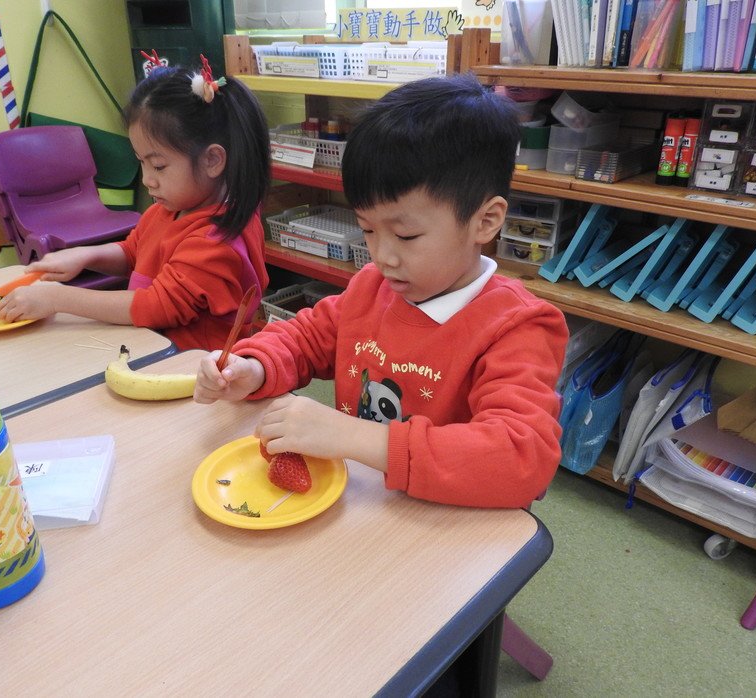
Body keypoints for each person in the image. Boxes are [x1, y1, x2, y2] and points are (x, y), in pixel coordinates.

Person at [195, 74, 568, 508]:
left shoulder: (519, 327)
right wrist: (253, 367)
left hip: (451, 524)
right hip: (370, 508)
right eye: (368, 230)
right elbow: (307, 338)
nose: (382, 256)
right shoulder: (372, 288)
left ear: (485, 222)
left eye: (406, 236)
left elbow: (520, 458)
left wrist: (352, 435)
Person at [0, 55, 271, 351]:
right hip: (151, 347)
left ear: (212, 160)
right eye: (142, 162)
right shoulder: (167, 211)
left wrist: (57, 298)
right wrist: (84, 256)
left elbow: (156, 306)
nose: (147, 180)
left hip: (191, 367)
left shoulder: (216, 242)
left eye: (159, 166)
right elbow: (133, 252)